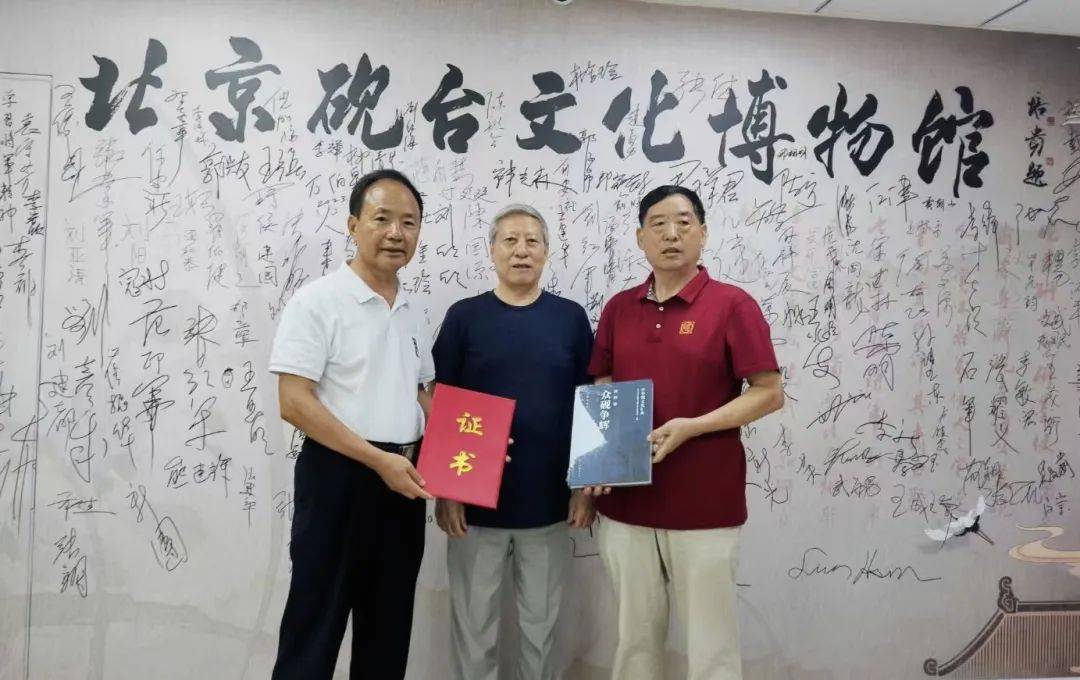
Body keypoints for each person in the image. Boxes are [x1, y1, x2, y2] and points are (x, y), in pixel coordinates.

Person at [585, 185, 784, 680]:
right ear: (640, 238)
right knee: (633, 642)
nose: (671, 234)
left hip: (705, 505)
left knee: (711, 645)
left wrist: (693, 427)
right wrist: (598, 461)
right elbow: (603, 384)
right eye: (658, 224)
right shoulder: (619, 308)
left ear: (703, 233)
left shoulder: (732, 305)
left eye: (683, 222)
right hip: (627, 506)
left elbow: (769, 392)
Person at [269, 169, 434, 680]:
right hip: (338, 479)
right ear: (353, 224)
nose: (396, 233)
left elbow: (420, 393)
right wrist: (376, 460)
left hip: (402, 483)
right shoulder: (317, 300)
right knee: (314, 631)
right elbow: (293, 401)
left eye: (409, 222)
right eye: (382, 219)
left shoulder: (412, 309)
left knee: (388, 635)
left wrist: (474, 450)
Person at [432, 203, 596, 680]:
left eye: (532, 241)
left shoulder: (570, 318)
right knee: (473, 629)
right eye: (510, 240)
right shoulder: (464, 317)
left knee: (541, 632)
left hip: (549, 505)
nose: (521, 251)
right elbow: (441, 400)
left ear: (546, 251)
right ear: (492, 251)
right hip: (474, 508)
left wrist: (584, 487)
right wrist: (446, 491)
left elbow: (591, 402)